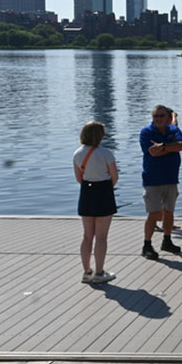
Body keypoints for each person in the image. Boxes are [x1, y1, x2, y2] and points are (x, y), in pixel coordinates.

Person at [73, 121, 118, 284]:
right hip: (103, 192)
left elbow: (79, 178)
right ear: (100, 136)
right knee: (101, 237)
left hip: (86, 192)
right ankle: (99, 272)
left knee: (87, 236)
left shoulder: (77, 153)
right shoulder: (106, 153)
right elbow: (114, 176)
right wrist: (106, 187)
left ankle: (86, 271)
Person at [140, 104, 182, 260]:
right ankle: (147, 244)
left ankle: (167, 240)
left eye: (161, 116)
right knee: (154, 214)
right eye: (155, 116)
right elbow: (152, 152)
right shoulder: (146, 132)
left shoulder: (174, 130)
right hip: (152, 179)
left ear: (167, 117)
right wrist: (170, 149)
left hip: (171, 178)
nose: (158, 119)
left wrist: (164, 147)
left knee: (169, 211)